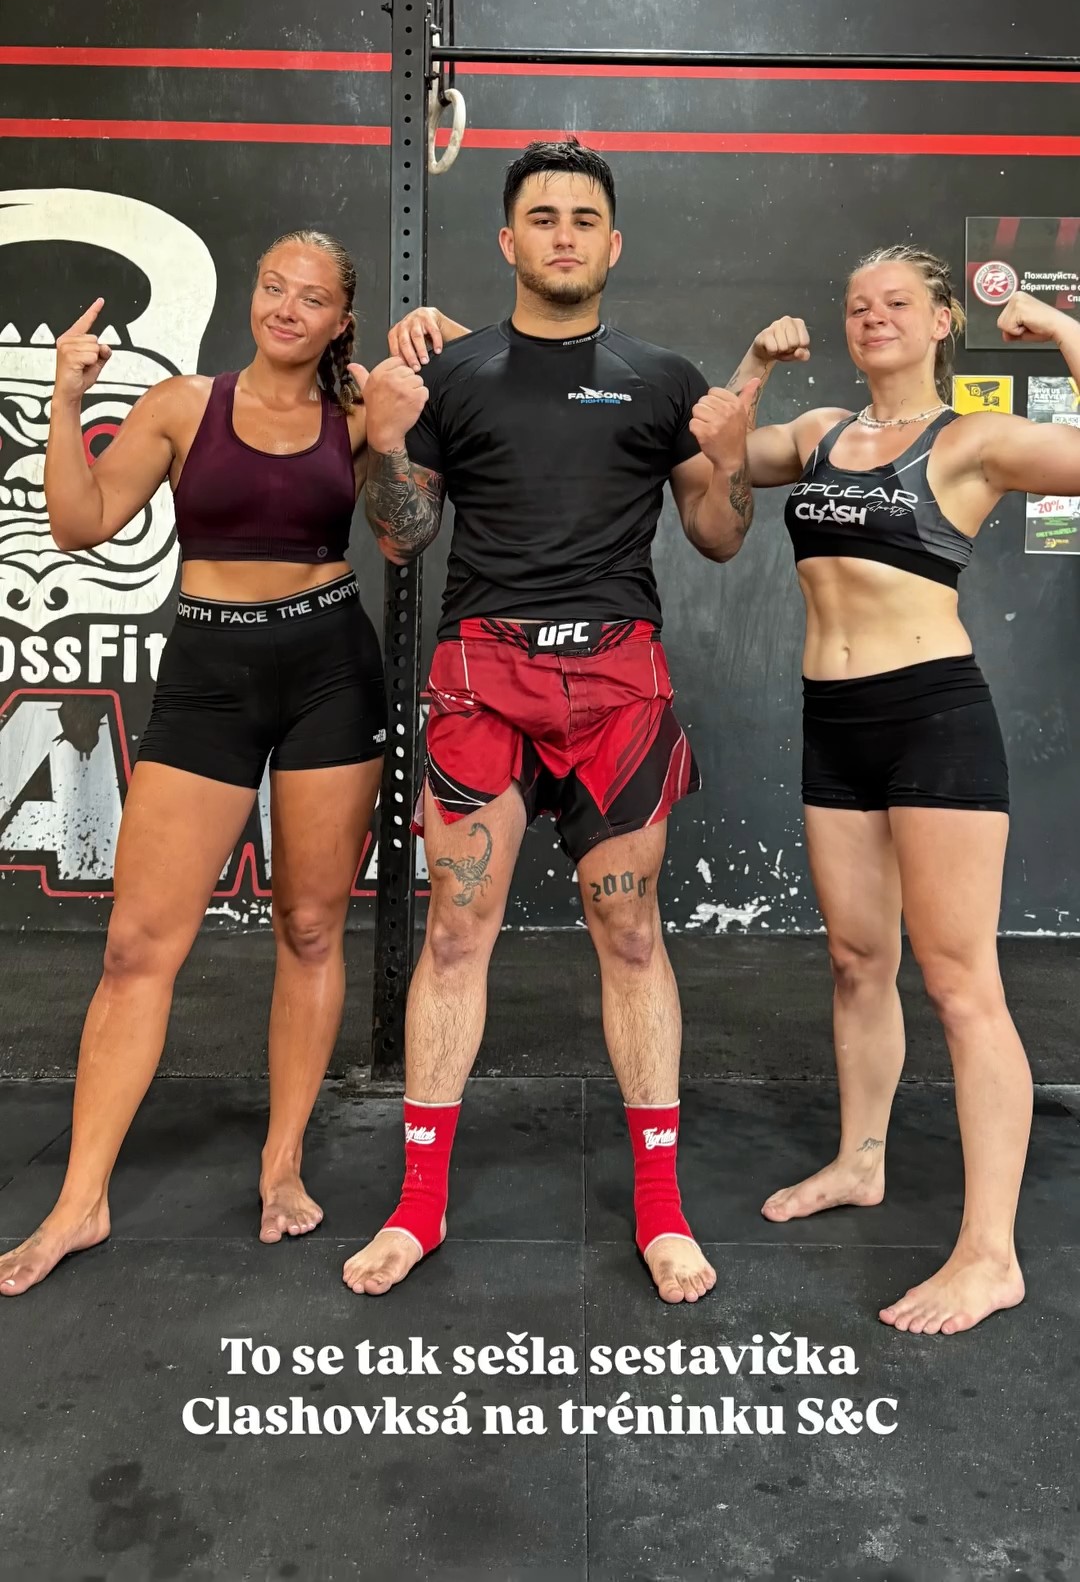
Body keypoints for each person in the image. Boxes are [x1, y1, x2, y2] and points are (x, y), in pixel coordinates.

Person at [342, 136, 804, 1305]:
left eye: (583, 218)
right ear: (509, 240)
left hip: (617, 680)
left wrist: (728, 461)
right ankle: (417, 1206)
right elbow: (402, 535)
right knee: (457, 933)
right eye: (542, 217)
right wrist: (386, 438)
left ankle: (662, 1209)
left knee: (633, 935)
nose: (563, 234)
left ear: (613, 243)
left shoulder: (661, 377)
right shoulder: (451, 375)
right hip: (480, 672)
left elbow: (718, 535)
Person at [0, 230, 386, 1296]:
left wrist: (400, 424)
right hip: (211, 670)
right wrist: (67, 399)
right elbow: (78, 522)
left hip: (330, 667)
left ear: (340, 320)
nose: (286, 308)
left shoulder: (358, 412)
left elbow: (404, 531)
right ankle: (79, 1201)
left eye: (312, 297)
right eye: (273, 287)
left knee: (310, 927)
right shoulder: (181, 405)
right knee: (136, 946)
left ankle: (282, 1165)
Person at [740, 246, 1080, 1336]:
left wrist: (1059, 330)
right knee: (857, 960)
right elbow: (710, 455)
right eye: (857, 304)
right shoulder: (818, 432)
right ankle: (860, 1159)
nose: (872, 316)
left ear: (941, 321)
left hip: (933, 715)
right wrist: (752, 368)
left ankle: (991, 1254)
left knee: (960, 982)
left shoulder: (971, 441)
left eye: (896, 303)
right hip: (833, 723)